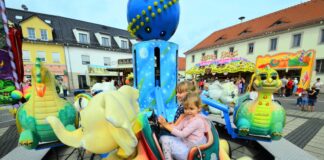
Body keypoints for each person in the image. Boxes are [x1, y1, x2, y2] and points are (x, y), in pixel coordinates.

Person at [158, 93, 209, 160]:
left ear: (199, 108)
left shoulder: (198, 121)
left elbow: (182, 134)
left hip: (191, 151)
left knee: (165, 140)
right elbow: (177, 128)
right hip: (185, 143)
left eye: (191, 109)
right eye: (186, 108)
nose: (188, 111)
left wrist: (166, 125)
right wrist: (166, 124)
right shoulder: (187, 117)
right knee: (163, 138)